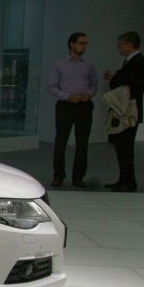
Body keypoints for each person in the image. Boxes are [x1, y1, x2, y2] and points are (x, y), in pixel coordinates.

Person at [47, 32, 98, 188]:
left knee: (82, 143)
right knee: (61, 141)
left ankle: (78, 177)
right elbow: (51, 87)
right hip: (66, 106)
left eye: (86, 43)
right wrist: (68, 96)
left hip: (84, 106)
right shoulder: (59, 64)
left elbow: (94, 85)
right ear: (72, 44)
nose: (84, 46)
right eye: (82, 43)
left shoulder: (90, 64)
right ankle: (58, 176)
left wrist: (89, 94)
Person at [104, 31, 144, 192]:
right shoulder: (132, 61)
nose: (119, 47)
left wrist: (114, 78)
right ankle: (124, 179)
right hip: (127, 109)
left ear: (129, 45)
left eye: (121, 44)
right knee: (122, 147)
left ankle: (129, 182)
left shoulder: (138, 62)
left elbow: (128, 84)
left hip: (129, 111)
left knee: (125, 148)